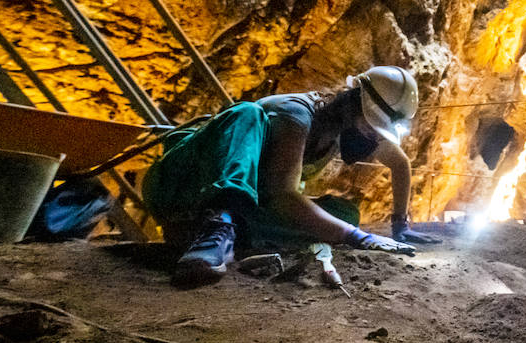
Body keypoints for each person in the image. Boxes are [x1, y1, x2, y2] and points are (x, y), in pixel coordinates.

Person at [143, 65, 442, 287]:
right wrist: (358, 238)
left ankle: (212, 228)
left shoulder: (341, 127)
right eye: (371, 126)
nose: (370, 136)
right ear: (353, 103)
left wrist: (400, 225)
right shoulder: (296, 115)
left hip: (238, 203)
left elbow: (399, 163)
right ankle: (215, 227)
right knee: (246, 112)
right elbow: (283, 195)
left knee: (343, 213)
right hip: (181, 182)